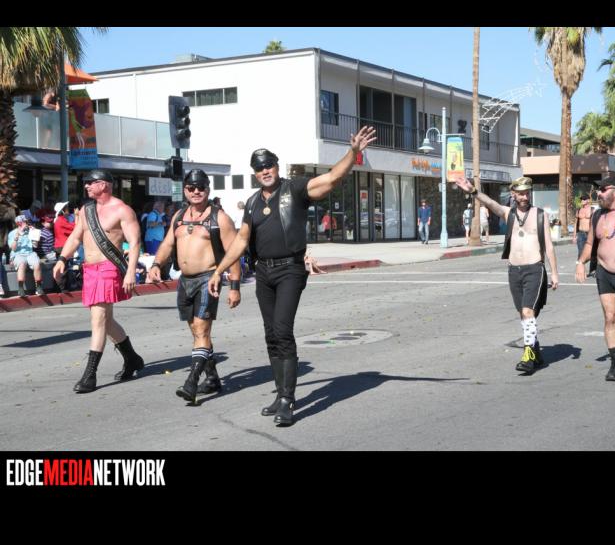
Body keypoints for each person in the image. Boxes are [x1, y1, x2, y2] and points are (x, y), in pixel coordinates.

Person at [209, 126, 376, 426]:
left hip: (290, 269)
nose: (265, 171)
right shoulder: (253, 203)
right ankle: (280, 394)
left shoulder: (295, 189)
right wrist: (219, 271)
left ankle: (288, 399)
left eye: (269, 165)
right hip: (263, 272)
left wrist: (353, 152)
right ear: (255, 173)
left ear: (277, 166)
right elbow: (242, 240)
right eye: (259, 168)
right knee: (271, 334)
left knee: (283, 330)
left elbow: (331, 178)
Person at [148, 169, 241, 402]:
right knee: (197, 332)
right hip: (185, 281)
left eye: (201, 187)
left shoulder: (220, 218)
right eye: (191, 188)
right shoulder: (179, 216)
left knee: (201, 329)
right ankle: (212, 379)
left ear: (208, 190)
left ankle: (191, 381)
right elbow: (168, 244)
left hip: (209, 279)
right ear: (185, 191)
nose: (196, 191)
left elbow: (234, 253)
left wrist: (235, 287)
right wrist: (157, 264)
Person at [52, 170, 145, 393]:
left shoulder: (123, 210)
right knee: (107, 321)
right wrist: (62, 259)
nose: (86, 186)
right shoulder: (87, 210)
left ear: (103, 185)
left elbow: (134, 243)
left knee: (98, 320)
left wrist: (131, 272)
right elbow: (76, 236)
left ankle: (89, 375)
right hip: (89, 270)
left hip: (109, 268)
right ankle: (132, 358)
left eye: (90, 183)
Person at [456, 175, 559, 374]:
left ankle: (528, 356)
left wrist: (554, 273)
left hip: (534, 269)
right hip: (514, 270)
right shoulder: (508, 213)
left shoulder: (540, 215)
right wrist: (473, 191)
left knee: (528, 311)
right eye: (520, 193)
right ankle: (535, 349)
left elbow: (549, 246)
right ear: (513, 194)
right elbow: (490, 203)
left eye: (527, 193)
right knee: (523, 313)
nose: (524, 197)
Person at [575, 176, 615, 382]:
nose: (598, 193)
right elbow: (589, 243)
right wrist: (580, 262)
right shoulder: (597, 216)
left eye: (602, 189)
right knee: (611, 317)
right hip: (605, 274)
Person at [8, 215, 44, 296]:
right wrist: (17, 237)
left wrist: (35, 234)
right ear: (19, 223)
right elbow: (13, 248)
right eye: (25, 222)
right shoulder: (12, 233)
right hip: (17, 253)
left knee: (37, 263)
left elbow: (35, 246)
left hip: (30, 253)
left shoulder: (30, 231)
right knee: (22, 263)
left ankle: (38, 287)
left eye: (27, 222)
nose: (27, 223)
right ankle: (20, 288)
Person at [573, 193, 592, 263]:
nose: (582, 201)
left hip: (590, 234)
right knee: (581, 251)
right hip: (580, 234)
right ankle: (580, 265)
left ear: (588, 200)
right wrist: (574, 236)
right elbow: (575, 223)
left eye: (583, 199)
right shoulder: (579, 210)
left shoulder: (592, 210)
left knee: (591, 253)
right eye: (581, 199)